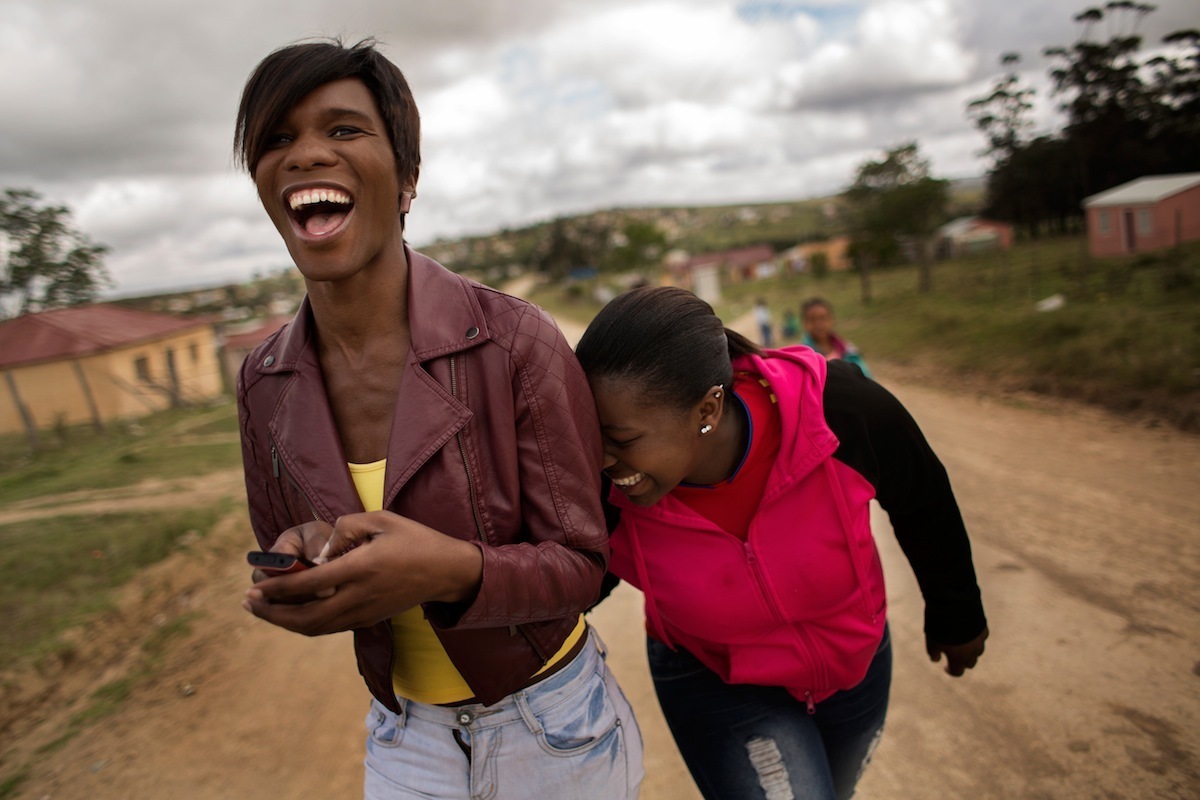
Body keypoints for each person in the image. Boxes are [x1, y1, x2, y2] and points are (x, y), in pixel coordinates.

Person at [233, 38, 642, 799]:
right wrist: (303, 561)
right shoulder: (263, 381)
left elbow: (584, 564)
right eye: (276, 139)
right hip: (403, 730)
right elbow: (283, 540)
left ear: (409, 179)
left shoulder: (516, 341)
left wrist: (448, 569)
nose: (305, 154)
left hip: (550, 725)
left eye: (344, 129)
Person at [574, 286, 988, 800]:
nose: (601, 459)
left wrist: (957, 612)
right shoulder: (605, 492)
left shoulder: (836, 410)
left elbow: (921, 496)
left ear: (707, 408)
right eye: (593, 438)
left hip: (853, 668)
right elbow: (575, 578)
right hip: (715, 678)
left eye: (622, 439)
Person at [800, 296, 872, 379]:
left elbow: (866, 377)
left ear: (831, 319)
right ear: (804, 323)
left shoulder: (848, 350)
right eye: (812, 320)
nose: (818, 324)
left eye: (822, 318)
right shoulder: (803, 355)